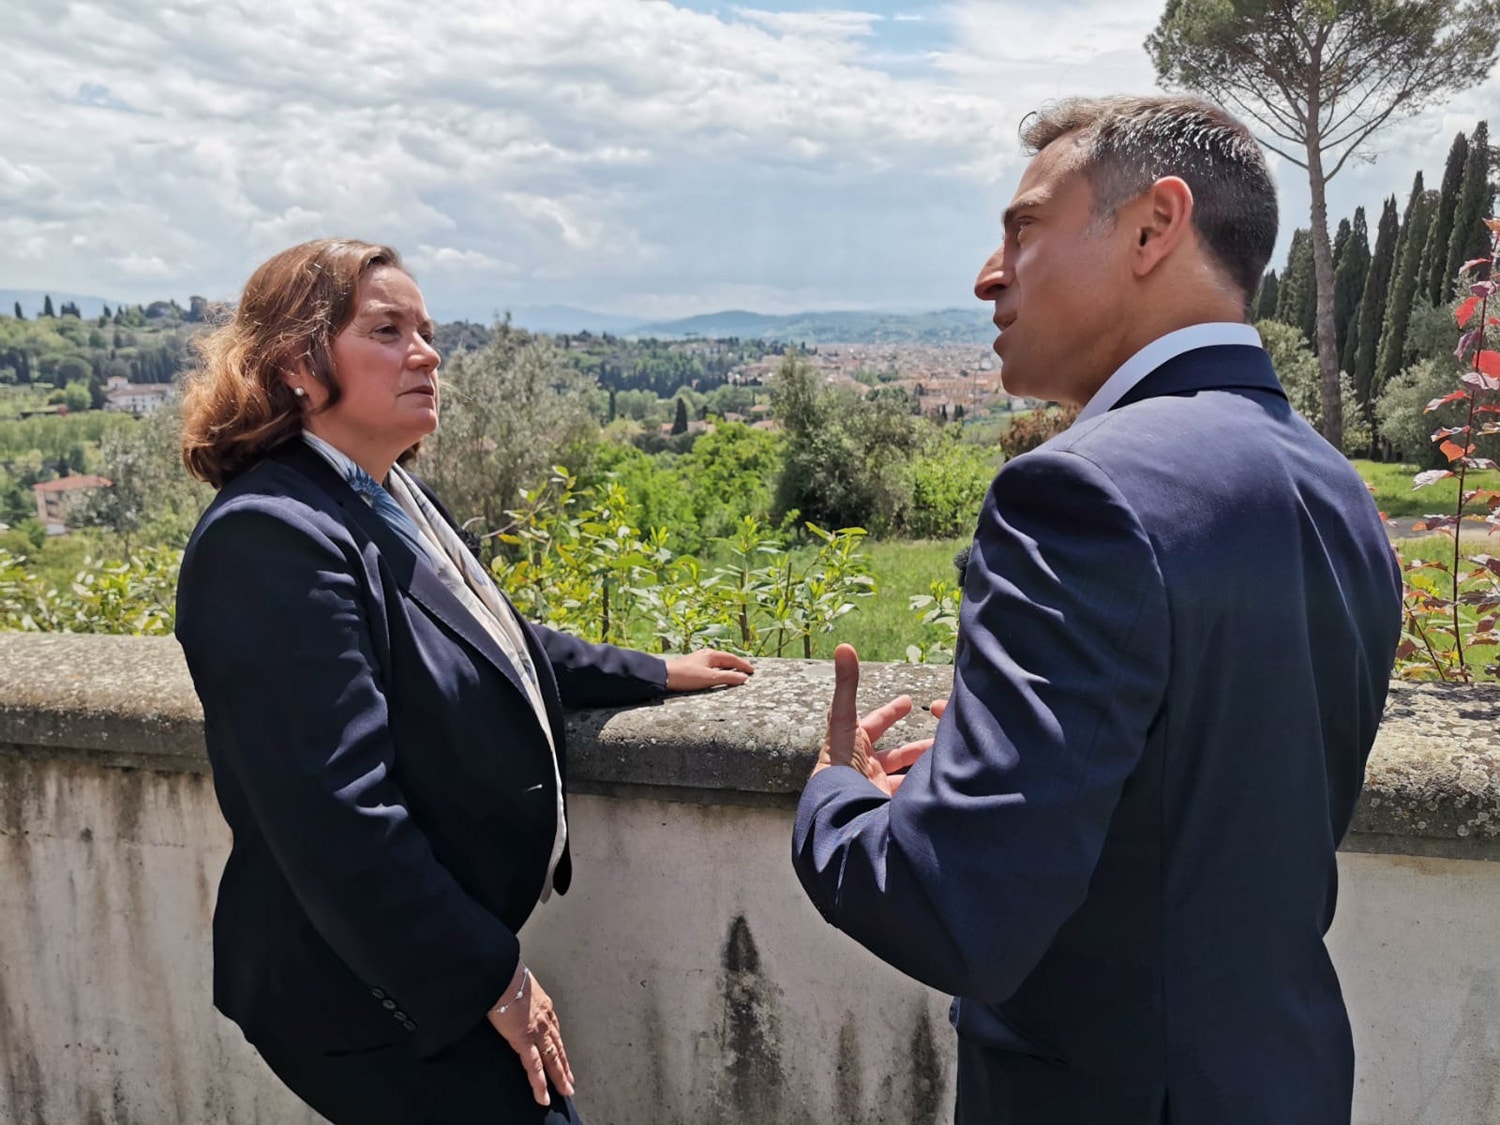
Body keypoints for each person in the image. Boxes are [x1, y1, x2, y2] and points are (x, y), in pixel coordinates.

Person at [791, 96, 1403, 1123]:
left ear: (1155, 227)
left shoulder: (1074, 493)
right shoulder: (1335, 488)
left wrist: (833, 801)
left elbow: (957, 911)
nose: (990, 274)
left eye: (1023, 227)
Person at [174, 238, 754, 1125]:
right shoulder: (272, 540)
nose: (427, 352)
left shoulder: (386, 496)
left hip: (406, 960)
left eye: (428, 330)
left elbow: (500, 646)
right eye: (388, 329)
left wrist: (656, 672)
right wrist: (493, 977)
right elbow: (338, 814)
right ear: (298, 362)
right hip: (361, 985)